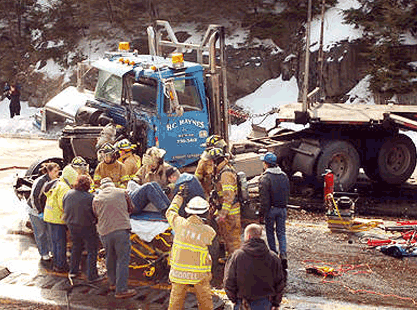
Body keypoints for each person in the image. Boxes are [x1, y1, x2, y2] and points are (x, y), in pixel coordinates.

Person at [166, 192, 216, 310]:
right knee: (205, 301)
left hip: (178, 271)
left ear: (188, 211)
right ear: (205, 212)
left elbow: (170, 212)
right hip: (198, 274)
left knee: (175, 301)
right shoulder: (208, 231)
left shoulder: (179, 223)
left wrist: (179, 197)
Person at [92, 177, 136, 299]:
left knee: (110, 257)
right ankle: (121, 290)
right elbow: (131, 208)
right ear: (112, 185)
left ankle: (112, 283)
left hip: (104, 233)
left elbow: (95, 215)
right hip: (121, 230)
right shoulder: (122, 192)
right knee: (122, 259)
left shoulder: (96, 198)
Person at [224, 223, 285, 310]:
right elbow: (280, 283)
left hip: (242, 302)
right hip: (265, 303)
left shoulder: (237, 256)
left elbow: (228, 281)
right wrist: (276, 303)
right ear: (259, 236)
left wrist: (234, 299)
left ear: (248, 236)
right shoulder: (273, 257)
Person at [63, 175, 102, 284]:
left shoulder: (68, 194)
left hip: (72, 226)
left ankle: (73, 271)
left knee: (76, 248)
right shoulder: (90, 197)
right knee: (92, 250)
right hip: (87, 226)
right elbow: (95, 213)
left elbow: (64, 207)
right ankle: (92, 275)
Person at [258, 151, 290, 270]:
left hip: (270, 210)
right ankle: (283, 254)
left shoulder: (265, 178)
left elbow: (264, 200)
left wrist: (261, 214)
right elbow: (287, 193)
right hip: (282, 209)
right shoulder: (284, 176)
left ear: (266, 164)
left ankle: (273, 257)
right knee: (281, 232)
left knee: (270, 232)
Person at [43, 165, 78, 273]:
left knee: (55, 242)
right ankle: (61, 265)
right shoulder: (64, 188)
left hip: (49, 216)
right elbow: (63, 205)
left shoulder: (58, 183)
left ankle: (57, 263)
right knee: (60, 243)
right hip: (57, 218)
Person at [208, 147, 241, 258]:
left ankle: (236, 264)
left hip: (231, 213)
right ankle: (229, 259)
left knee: (233, 241)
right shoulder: (221, 172)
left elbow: (229, 196)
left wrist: (222, 214)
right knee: (227, 237)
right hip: (227, 212)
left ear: (213, 161)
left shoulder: (226, 174)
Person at [27, 162, 60, 262]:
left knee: (50, 232)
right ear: (49, 172)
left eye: (58, 171)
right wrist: (39, 212)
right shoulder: (40, 182)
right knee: (40, 233)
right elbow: (34, 198)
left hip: (47, 210)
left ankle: (52, 250)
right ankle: (44, 253)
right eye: (55, 171)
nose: (57, 173)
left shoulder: (55, 180)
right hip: (35, 211)